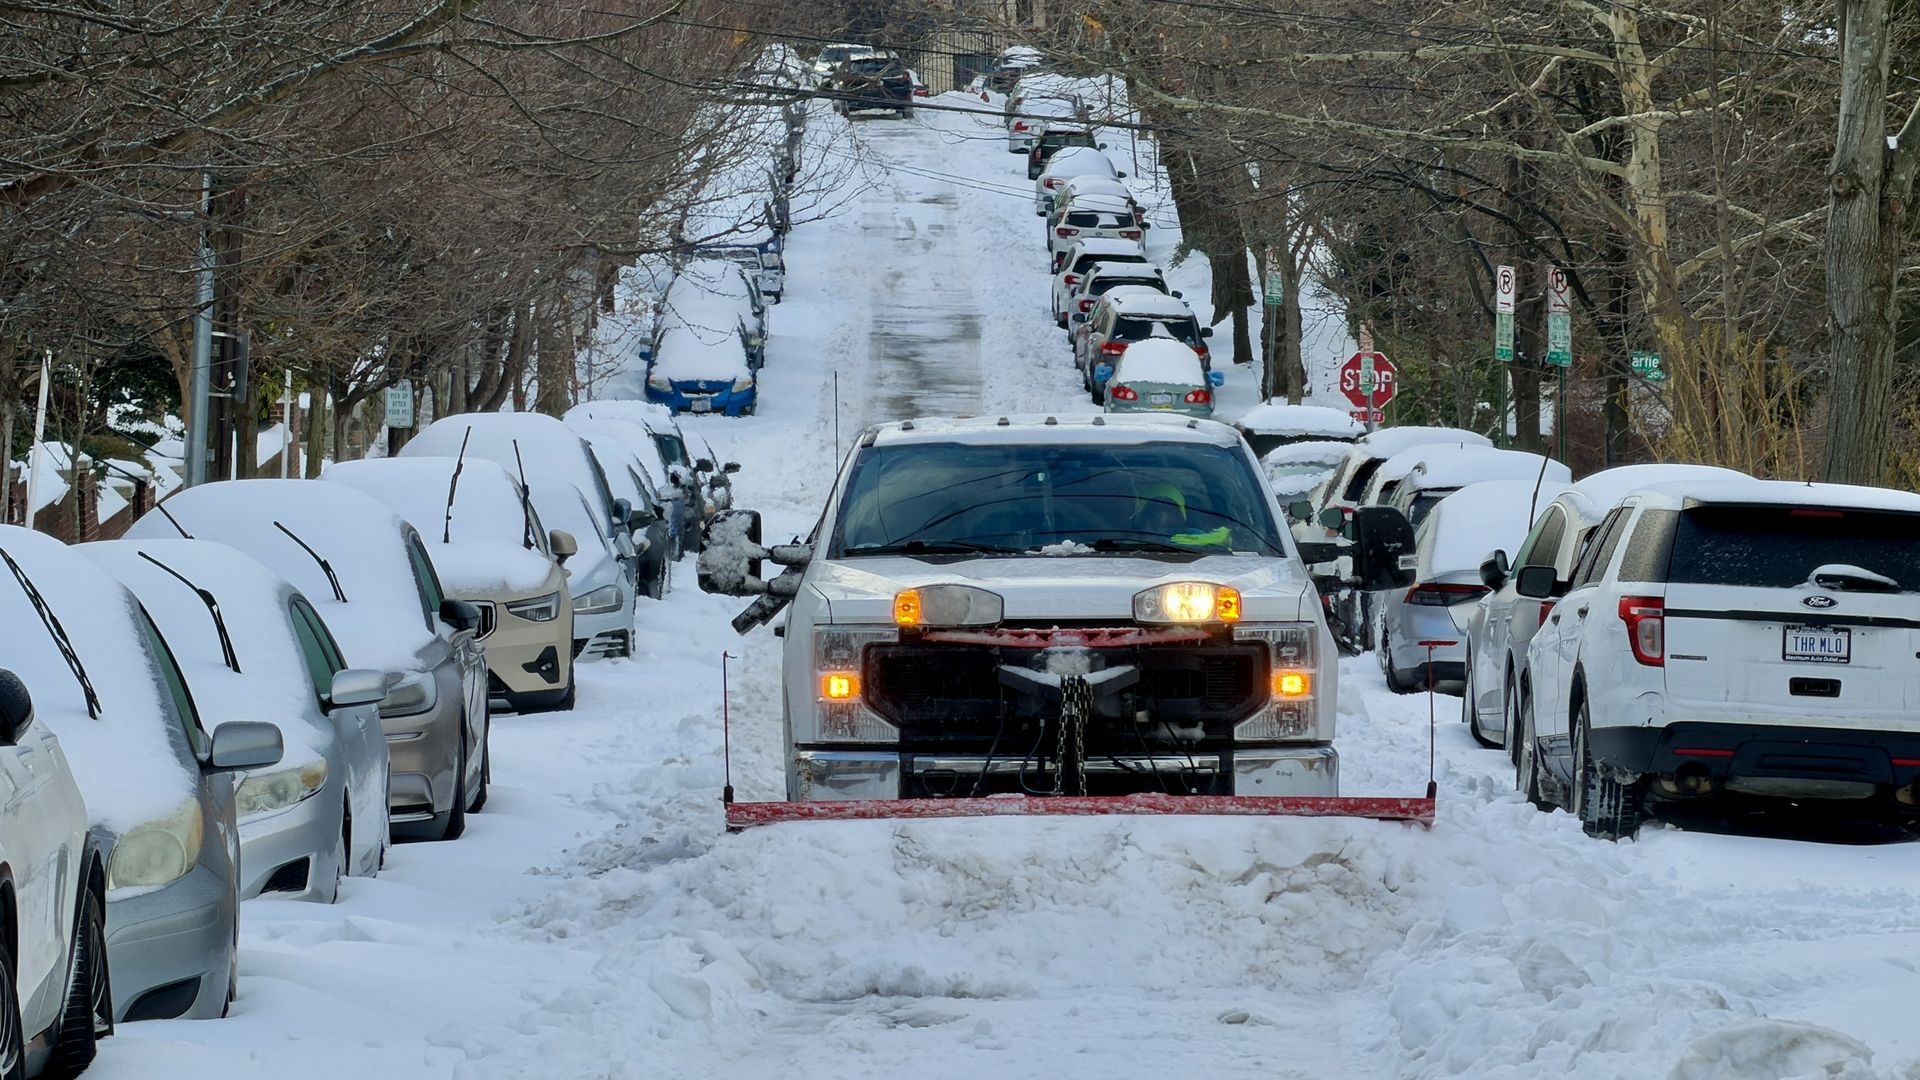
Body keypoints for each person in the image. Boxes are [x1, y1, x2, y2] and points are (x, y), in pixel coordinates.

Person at [1131, 479, 1230, 548]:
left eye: (1170, 508)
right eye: (1154, 509)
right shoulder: (1124, 545)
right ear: (1141, 514)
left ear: (1181, 515)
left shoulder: (1205, 541)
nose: (1163, 516)